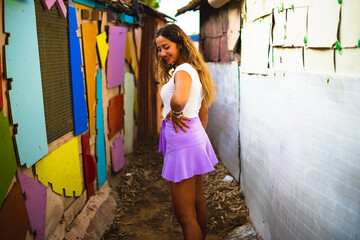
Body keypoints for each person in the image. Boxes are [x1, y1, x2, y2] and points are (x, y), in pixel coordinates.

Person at [154, 23, 218, 240]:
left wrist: (175, 112)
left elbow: (180, 100)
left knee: (185, 216)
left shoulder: (182, 71)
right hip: (193, 137)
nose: (162, 53)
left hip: (183, 143)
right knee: (197, 201)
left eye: (166, 47)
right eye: (159, 49)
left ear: (179, 44)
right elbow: (203, 111)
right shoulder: (192, 69)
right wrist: (196, 137)